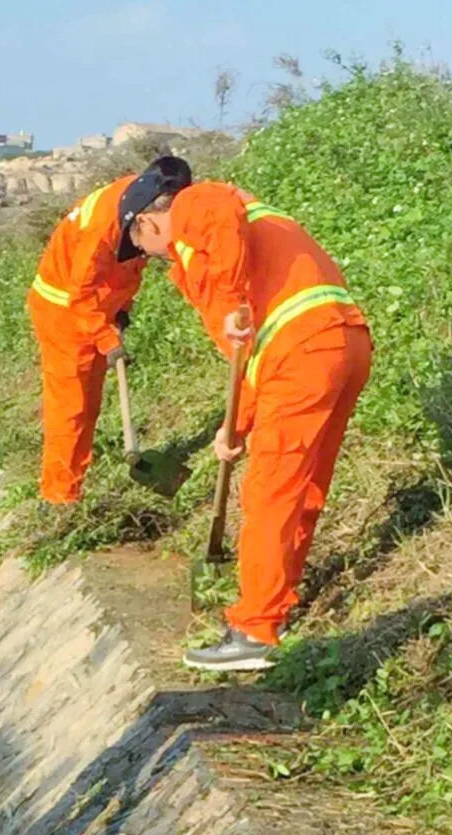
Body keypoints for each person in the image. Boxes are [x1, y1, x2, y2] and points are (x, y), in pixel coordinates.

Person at [121, 157, 372, 671]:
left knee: (270, 490)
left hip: (303, 352)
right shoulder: (236, 240)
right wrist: (234, 427)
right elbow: (254, 357)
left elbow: (216, 217)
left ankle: (255, 630)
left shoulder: (197, 204)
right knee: (302, 487)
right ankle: (276, 602)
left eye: (139, 247)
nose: (146, 258)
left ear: (147, 220)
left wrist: (234, 302)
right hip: (340, 343)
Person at [28, 169, 150, 504]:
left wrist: (120, 308)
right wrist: (108, 341)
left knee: (88, 404)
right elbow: (80, 295)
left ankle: (74, 483)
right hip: (64, 313)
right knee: (71, 407)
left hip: (92, 309)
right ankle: (60, 497)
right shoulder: (103, 229)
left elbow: (124, 267)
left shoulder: (142, 198)